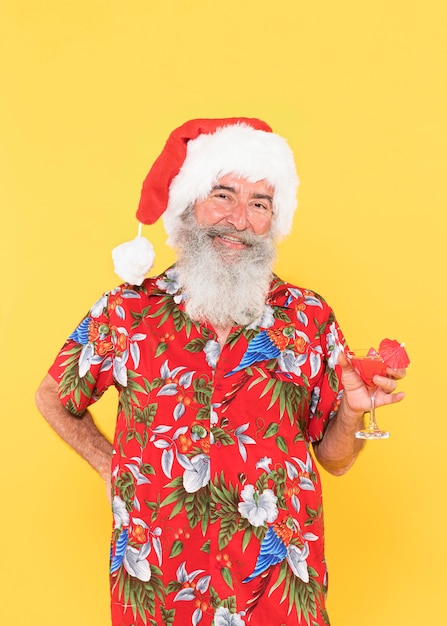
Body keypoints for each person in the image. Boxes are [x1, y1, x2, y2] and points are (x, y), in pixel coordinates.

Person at [35, 117, 405, 626]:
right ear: (189, 206)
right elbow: (53, 394)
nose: (240, 219)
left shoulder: (310, 316)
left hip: (277, 593)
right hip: (160, 585)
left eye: (259, 203)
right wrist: (107, 463)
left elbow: (336, 461)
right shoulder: (127, 310)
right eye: (223, 195)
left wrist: (351, 414)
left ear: (274, 220)